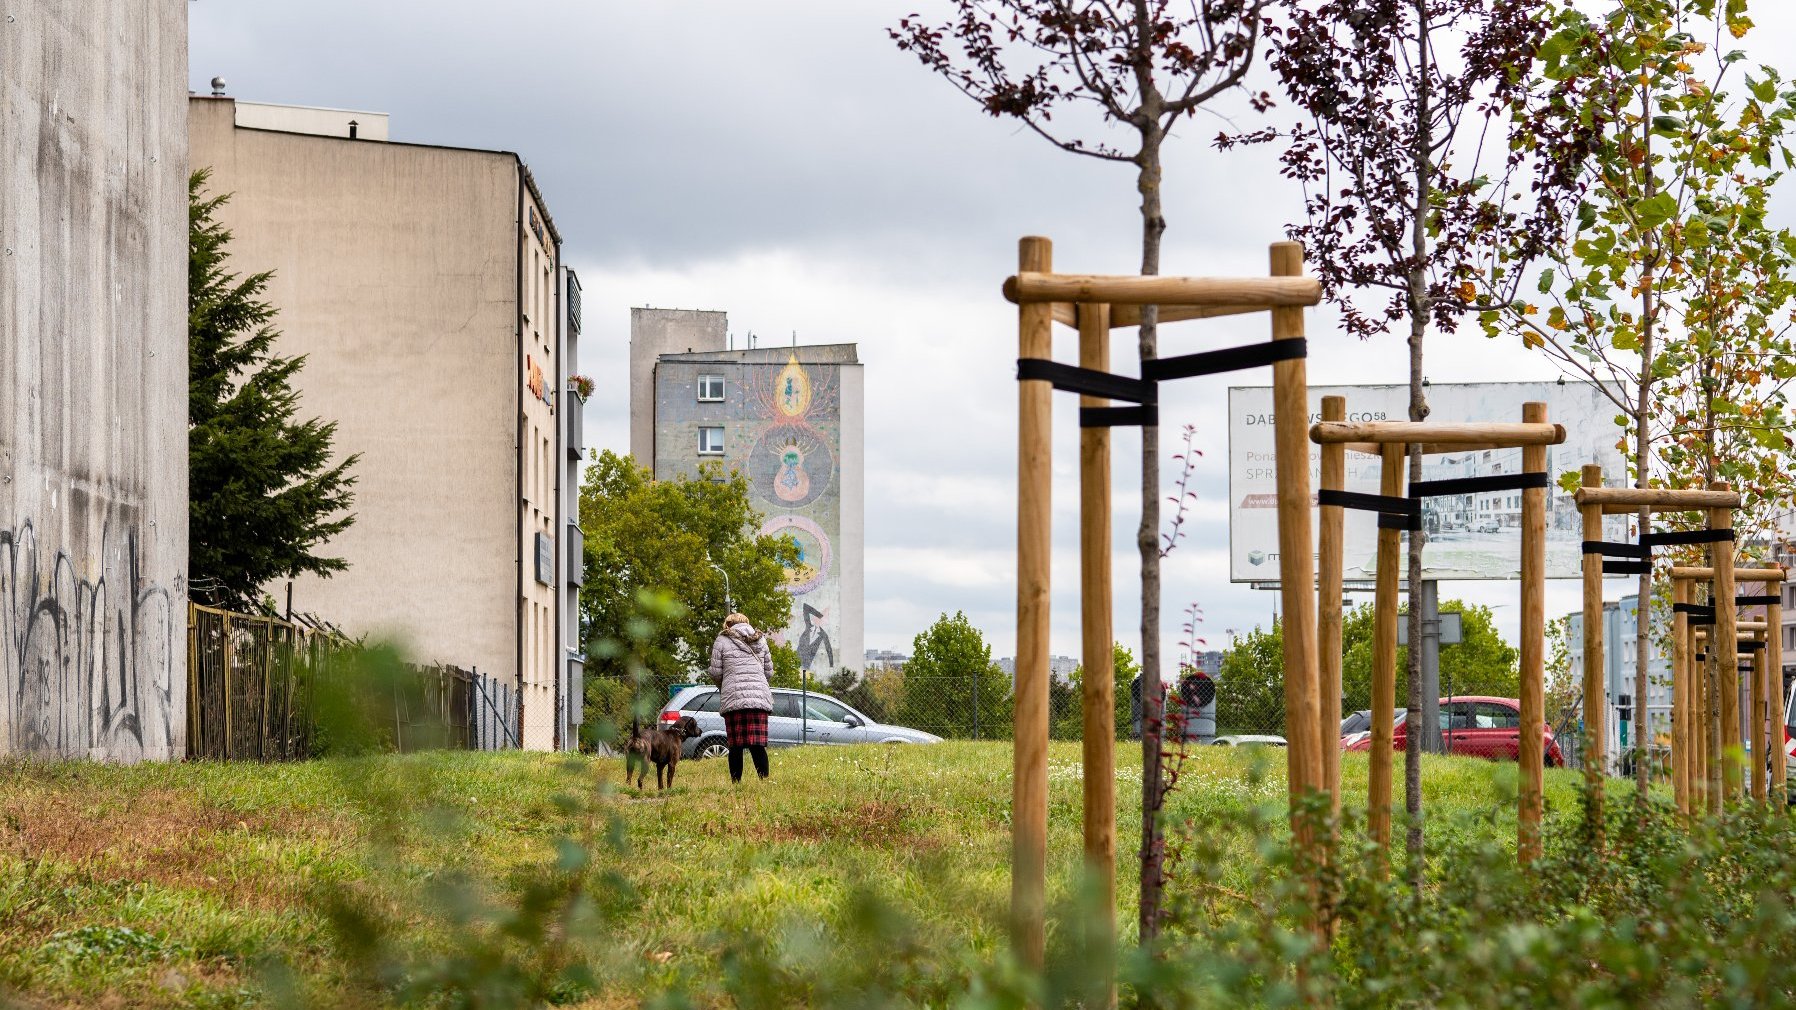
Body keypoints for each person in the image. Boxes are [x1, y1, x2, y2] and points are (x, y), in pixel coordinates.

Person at [708, 612, 774, 783]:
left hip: (734, 699)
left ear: (728, 625)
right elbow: (769, 672)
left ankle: (736, 784)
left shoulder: (722, 640)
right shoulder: (761, 640)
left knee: (735, 746)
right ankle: (764, 782)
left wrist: (725, 684)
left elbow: (715, 672)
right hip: (758, 699)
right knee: (757, 745)